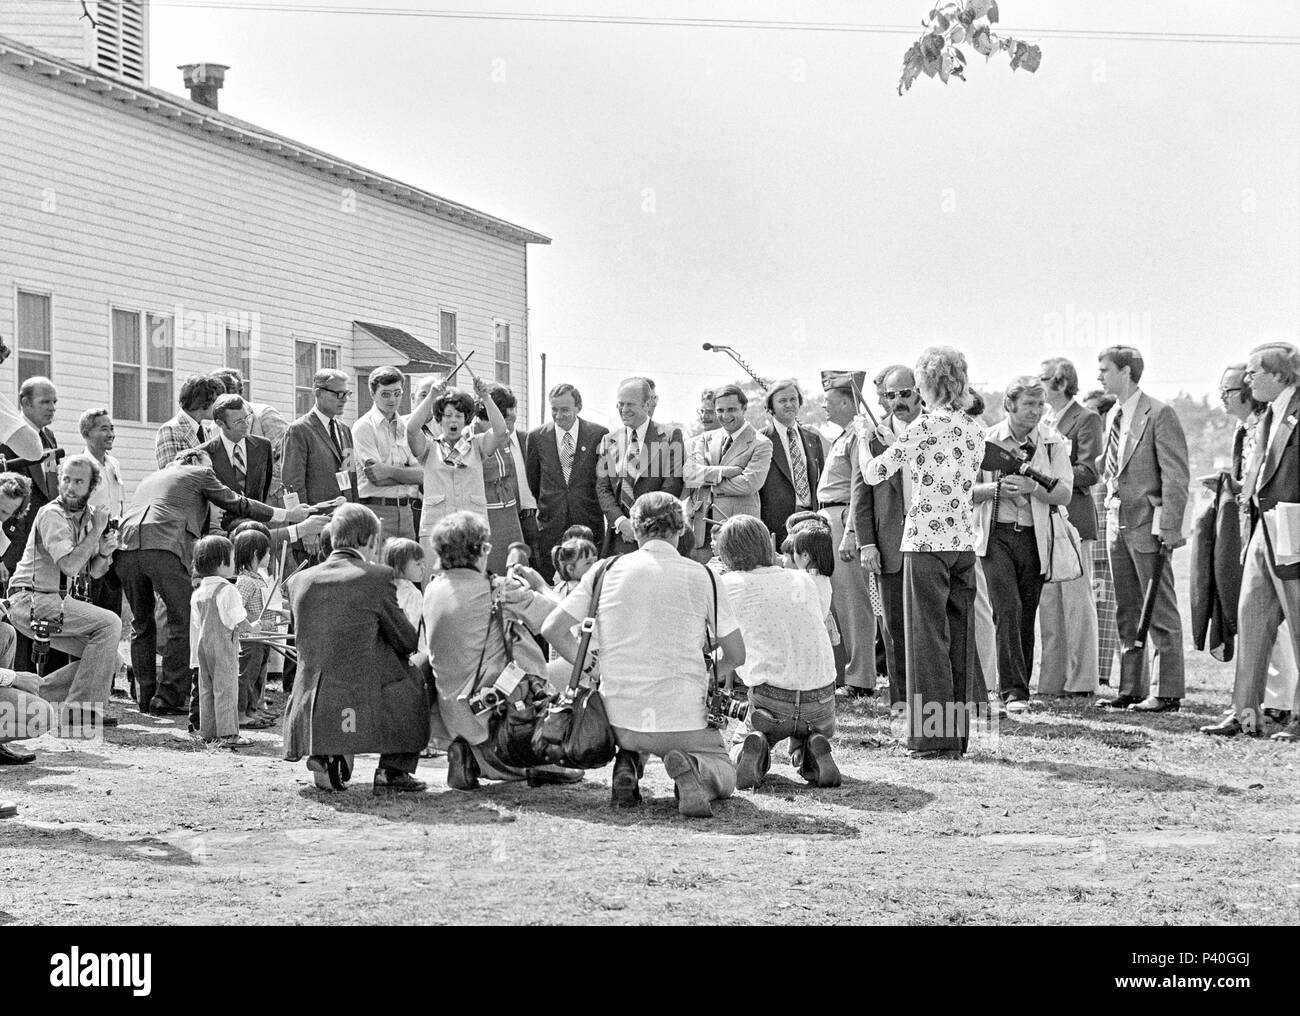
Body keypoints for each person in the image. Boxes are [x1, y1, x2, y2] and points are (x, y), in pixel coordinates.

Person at [543, 491, 746, 817]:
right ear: (681, 529)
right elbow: (737, 653)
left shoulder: (604, 570)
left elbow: (553, 628)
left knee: (637, 734)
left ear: (634, 531)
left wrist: (593, 670)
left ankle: (628, 764)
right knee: (725, 770)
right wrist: (711, 673)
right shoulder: (705, 576)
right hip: (683, 720)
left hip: (619, 721)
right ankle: (696, 770)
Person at [116, 448, 315, 715]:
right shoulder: (200, 472)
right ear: (196, 460)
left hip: (126, 547)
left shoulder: (153, 478)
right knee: (184, 618)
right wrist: (287, 515)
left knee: (141, 623)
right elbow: (238, 503)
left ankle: (145, 694)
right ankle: (170, 697)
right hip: (164, 545)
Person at [861, 346, 985, 759]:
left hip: (925, 542)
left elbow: (874, 471)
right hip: (963, 542)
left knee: (925, 640)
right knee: (960, 638)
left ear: (927, 385)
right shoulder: (973, 428)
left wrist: (865, 441)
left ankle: (933, 739)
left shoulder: (924, 427)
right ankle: (956, 736)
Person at [422, 510, 582, 790]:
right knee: (569, 667)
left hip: (455, 715)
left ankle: (468, 756)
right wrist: (539, 584)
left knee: (505, 639)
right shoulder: (498, 589)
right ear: (480, 550)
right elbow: (562, 615)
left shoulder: (433, 589)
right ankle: (541, 760)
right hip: (502, 717)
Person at [283, 503, 430, 793]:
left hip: (310, 688)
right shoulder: (376, 577)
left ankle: (328, 752)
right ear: (370, 540)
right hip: (359, 689)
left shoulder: (299, 580)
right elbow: (406, 640)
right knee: (419, 671)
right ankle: (393, 769)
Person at [1202, 343, 1300, 741]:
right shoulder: (1268, 415)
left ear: (1281, 376)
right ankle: (1243, 712)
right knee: (1251, 617)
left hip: (1293, 529)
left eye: (1255, 372)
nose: (1247, 379)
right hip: (1263, 529)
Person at [1095, 346, 1190, 713]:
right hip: (1117, 525)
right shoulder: (1114, 416)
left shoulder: (1160, 414)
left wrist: (1169, 528)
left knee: (1159, 609)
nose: (1099, 376)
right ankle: (1131, 688)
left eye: (1104, 370)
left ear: (1126, 372)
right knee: (1127, 609)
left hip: (1148, 527)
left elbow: (1175, 475)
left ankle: (1166, 691)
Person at [715, 514, 839, 789]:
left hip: (771, 702)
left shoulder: (728, 585)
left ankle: (754, 750)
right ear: (766, 545)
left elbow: (712, 642)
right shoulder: (803, 580)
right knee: (807, 727)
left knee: (740, 741)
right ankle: (810, 750)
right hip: (821, 699)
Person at [972, 377, 1073, 711]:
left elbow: (1064, 492)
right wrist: (997, 489)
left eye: (1040, 403)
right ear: (1009, 405)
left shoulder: (1051, 442)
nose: (1036, 411)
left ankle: (1018, 688)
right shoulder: (985, 441)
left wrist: (1032, 488)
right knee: (1007, 609)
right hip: (995, 536)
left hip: (1034, 538)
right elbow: (965, 491)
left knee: (1025, 613)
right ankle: (1012, 691)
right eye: (1029, 404)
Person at [6, 454, 123, 730]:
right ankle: (80, 714)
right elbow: (70, 565)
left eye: (78, 482)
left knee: (109, 658)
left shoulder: (86, 517)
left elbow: (92, 572)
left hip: (54, 601)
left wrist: (104, 553)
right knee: (111, 623)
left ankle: (30, 698)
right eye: (66, 480)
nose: (70, 487)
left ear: (92, 487)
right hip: (31, 598)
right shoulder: (52, 514)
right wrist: (96, 532)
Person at [852, 366, 923, 710]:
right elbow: (861, 496)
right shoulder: (871, 438)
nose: (898, 401)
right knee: (894, 628)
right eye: (891, 395)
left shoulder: (933, 431)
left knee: (929, 626)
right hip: (889, 546)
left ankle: (937, 699)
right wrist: (866, 543)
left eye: (905, 393)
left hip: (931, 542)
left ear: (919, 392)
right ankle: (903, 701)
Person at [1036, 359, 1104, 697]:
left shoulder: (1086, 418)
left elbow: (1090, 471)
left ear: (1061, 382)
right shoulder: (1042, 420)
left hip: (1074, 520)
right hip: (1045, 519)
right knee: (1048, 604)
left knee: (1078, 603)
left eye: (1043, 379)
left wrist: (1052, 478)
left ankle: (1082, 681)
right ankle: (1051, 680)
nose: (1039, 385)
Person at [816, 372, 875, 696]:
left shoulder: (858, 435)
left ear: (844, 401)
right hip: (828, 517)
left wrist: (852, 531)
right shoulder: (843, 435)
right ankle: (841, 675)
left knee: (853, 601)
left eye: (828, 402)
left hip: (842, 517)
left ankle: (860, 678)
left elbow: (859, 487)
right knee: (834, 601)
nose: (824, 408)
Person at [407, 377, 511, 560]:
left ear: (466, 419)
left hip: (472, 529)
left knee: (472, 582)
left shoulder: (477, 445)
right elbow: (411, 429)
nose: (452, 421)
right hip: (436, 528)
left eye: (458, 416)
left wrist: (486, 397)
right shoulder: (430, 448)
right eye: (447, 415)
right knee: (435, 582)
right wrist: (432, 395)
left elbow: (500, 431)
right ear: (439, 419)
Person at [525, 383, 609, 582]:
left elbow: (603, 481)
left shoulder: (598, 434)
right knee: (552, 578)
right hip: (551, 522)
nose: (558, 415)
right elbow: (533, 481)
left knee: (591, 579)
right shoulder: (537, 437)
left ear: (578, 407)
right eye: (554, 409)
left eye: (565, 410)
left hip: (588, 520)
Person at [595, 378, 686, 556]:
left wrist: (641, 526)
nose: (623, 410)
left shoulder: (669, 436)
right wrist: (622, 523)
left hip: (656, 537)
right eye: (620, 404)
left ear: (647, 404)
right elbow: (603, 488)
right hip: (619, 539)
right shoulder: (609, 440)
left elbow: (672, 485)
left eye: (630, 404)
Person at [683, 383, 772, 562]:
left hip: (738, 533)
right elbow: (691, 475)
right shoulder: (705, 438)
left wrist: (710, 483)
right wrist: (727, 472)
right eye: (720, 410)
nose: (725, 416)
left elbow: (749, 484)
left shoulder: (761, 443)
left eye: (731, 409)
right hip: (702, 530)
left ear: (744, 408)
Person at [281, 368, 359, 559]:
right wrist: (306, 529)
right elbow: (292, 485)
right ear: (318, 393)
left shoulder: (344, 430)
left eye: (346, 394)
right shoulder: (299, 430)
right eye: (338, 394)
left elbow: (350, 476)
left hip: (343, 529)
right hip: (315, 533)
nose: (344, 399)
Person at [190, 535, 256, 747]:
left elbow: (198, 622)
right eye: (233, 558)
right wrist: (253, 627)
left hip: (203, 646)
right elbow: (238, 619)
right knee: (226, 688)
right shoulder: (228, 589)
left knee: (207, 688)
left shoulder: (199, 592)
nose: (235, 563)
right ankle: (229, 734)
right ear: (221, 563)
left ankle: (208, 732)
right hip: (223, 646)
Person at [352, 366, 422, 543]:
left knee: (407, 568)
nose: (393, 399)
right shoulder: (364, 427)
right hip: (377, 510)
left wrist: (389, 471)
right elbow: (376, 477)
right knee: (380, 568)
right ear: (373, 393)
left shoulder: (406, 427)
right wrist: (408, 473)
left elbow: (423, 474)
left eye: (397, 393)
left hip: (406, 511)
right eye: (385, 394)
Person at [759, 379, 826, 550]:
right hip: (776, 526)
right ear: (770, 406)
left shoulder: (812, 438)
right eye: (782, 401)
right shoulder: (760, 440)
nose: (789, 405)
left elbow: (820, 480)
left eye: (793, 399)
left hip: (811, 522)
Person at [1082, 389, 1121, 686]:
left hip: (1106, 539)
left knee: (1105, 607)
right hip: (1097, 542)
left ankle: (1102, 671)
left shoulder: (1112, 447)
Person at [472, 384, 527, 574]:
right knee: (492, 568)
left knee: (515, 565)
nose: (510, 423)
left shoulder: (504, 437)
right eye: (506, 417)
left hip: (508, 511)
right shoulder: (472, 435)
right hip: (486, 511)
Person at [214, 367, 290, 502]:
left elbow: (288, 454)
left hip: (271, 501)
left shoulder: (265, 415)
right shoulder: (215, 426)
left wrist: (263, 489)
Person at [201, 394, 274, 528]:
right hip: (221, 536)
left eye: (247, 417)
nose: (246, 424)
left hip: (257, 531)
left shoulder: (263, 447)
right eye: (238, 421)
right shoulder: (204, 454)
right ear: (220, 423)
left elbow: (265, 490)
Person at [233, 528, 277, 728]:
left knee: (258, 676)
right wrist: (253, 624)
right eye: (266, 552)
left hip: (263, 637)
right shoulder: (245, 581)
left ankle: (252, 710)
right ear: (255, 554)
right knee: (247, 676)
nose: (269, 556)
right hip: (250, 639)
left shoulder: (258, 578)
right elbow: (237, 609)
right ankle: (241, 713)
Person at [155, 373, 224, 470]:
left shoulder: (206, 432)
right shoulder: (170, 430)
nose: (220, 407)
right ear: (203, 401)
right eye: (217, 402)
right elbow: (171, 477)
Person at [382, 536, 428, 653]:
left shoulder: (382, 587)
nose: (423, 567)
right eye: (418, 564)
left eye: (423, 563)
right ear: (398, 566)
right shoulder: (413, 594)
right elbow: (415, 631)